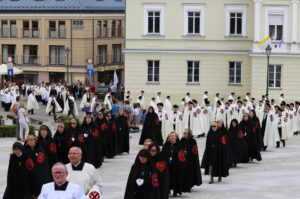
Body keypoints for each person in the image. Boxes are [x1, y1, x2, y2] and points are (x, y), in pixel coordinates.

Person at [162, 131, 186, 197]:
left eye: (173, 136)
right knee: (168, 178)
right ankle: (167, 191)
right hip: (168, 165)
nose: (172, 137)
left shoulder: (180, 145)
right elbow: (163, 154)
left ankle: (176, 191)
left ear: (176, 137)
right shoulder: (166, 145)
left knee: (176, 178)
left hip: (177, 166)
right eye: (171, 136)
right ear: (169, 137)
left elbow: (182, 156)